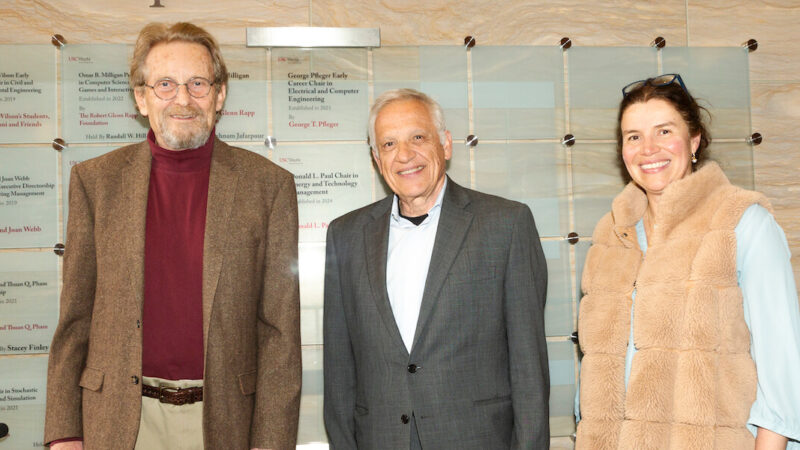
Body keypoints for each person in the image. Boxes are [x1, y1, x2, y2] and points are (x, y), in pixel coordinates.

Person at [44, 22, 301, 450]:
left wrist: (270, 443)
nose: (183, 99)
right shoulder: (95, 182)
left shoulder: (268, 187)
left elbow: (279, 337)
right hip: (118, 422)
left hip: (224, 424)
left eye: (197, 83)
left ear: (219, 95)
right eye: (165, 84)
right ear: (141, 97)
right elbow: (74, 319)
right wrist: (65, 433)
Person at [576, 73, 800, 449]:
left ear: (694, 140)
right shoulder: (611, 236)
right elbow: (596, 369)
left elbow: (782, 367)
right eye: (634, 136)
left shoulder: (743, 223)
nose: (648, 149)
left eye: (664, 131)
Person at [323, 88, 550, 449]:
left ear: (445, 144)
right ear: (376, 158)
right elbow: (339, 368)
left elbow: (529, 368)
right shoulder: (346, 235)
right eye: (389, 144)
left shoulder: (505, 224)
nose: (405, 155)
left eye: (417, 137)